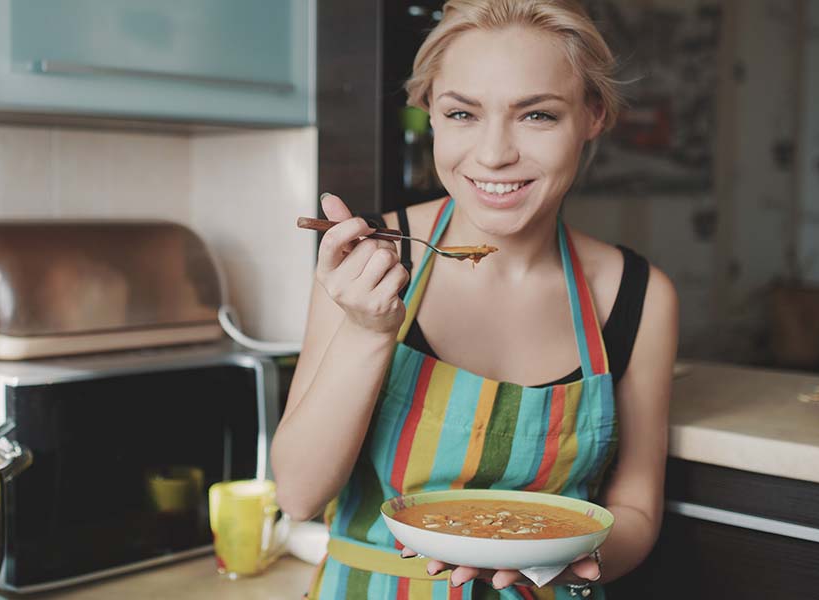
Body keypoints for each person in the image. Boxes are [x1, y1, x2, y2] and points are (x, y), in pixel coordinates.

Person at [271, 1, 679, 598]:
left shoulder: (637, 296)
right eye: (462, 112)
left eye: (536, 115)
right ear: (429, 114)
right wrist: (367, 330)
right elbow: (299, 494)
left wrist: (561, 562)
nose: (493, 155)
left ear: (593, 115)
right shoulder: (370, 265)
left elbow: (636, 511)